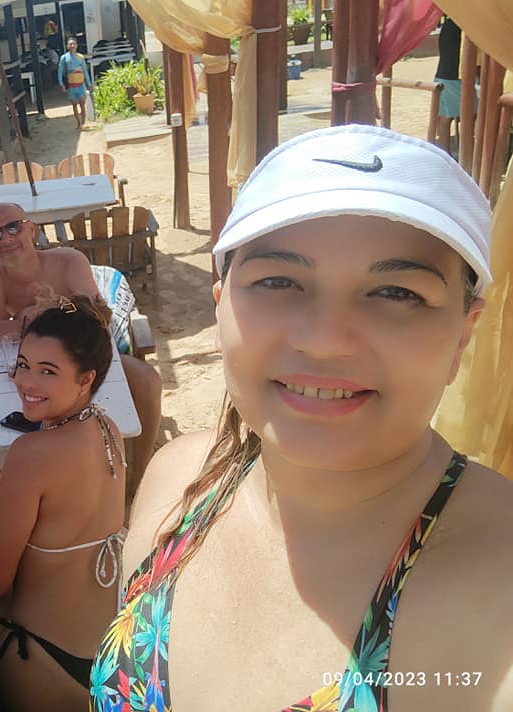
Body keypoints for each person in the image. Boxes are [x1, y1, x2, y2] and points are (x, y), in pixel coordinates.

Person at [89, 125, 513, 712]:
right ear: (221, 302)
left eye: (397, 293)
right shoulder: (178, 481)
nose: (324, 340)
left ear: (464, 334)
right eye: (278, 281)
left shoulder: (497, 598)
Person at [0, 294, 126, 711]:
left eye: (48, 371)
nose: (26, 382)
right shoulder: (108, 427)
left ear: (85, 379)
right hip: (114, 651)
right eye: (23, 365)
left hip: (42, 657)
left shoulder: (31, 455)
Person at [0, 202, 163, 494]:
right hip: (40, 365)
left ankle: (140, 474)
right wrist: (42, 315)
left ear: (31, 230)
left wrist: (37, 315)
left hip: (86, 354)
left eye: (13, 227)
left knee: (148, 381)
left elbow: (98, 317)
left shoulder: (68, 260)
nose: (7, 238)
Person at [434, 17, 463, 155]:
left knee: (445, 117)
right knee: (449, 118)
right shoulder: (458, 25)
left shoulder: (448, 24)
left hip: (444, 75)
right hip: (452, 78)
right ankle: (446, 152)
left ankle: (444, 152)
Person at [58, 37, 92, 129]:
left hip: (81, 85)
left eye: (74, 44)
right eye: (70, 44)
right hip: (71, 86)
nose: (72, 46)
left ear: (76, 46)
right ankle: (79, 123)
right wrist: (61, 84)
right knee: (74, 105)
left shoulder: (80, 57)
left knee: (82, 105)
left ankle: (83, 123)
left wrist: (89, 84)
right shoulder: (64, 58)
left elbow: (85, 72)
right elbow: (60, 72)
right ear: (67, 46)